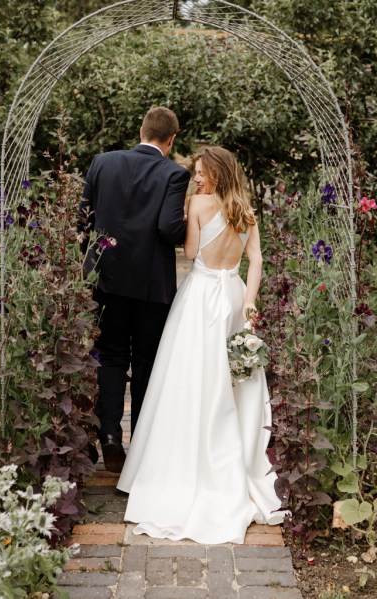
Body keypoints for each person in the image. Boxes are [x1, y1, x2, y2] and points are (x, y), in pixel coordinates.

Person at [117, 146, 285, 544]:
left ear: (217, 174)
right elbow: (256, 259)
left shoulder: (197, 204)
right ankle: (231, 456)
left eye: (201, 172)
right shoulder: (246, 210)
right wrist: (249, 300)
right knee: (232, 378)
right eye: (195, 172)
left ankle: (184, 459)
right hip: (232, 296)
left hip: (200, 297)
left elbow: (190, 252)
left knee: (189, 375)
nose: (196, 178)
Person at [79, 107, 190, 473]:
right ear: (171, 140)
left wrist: (93, 261)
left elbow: (83, 218)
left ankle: (109, 435)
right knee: (145, 361)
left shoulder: (102, 162)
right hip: (150, 285)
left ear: (141, 130)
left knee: (110, 356)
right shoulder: (175, 173)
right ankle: (141, 442)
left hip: (105, 280)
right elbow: (169, 229)